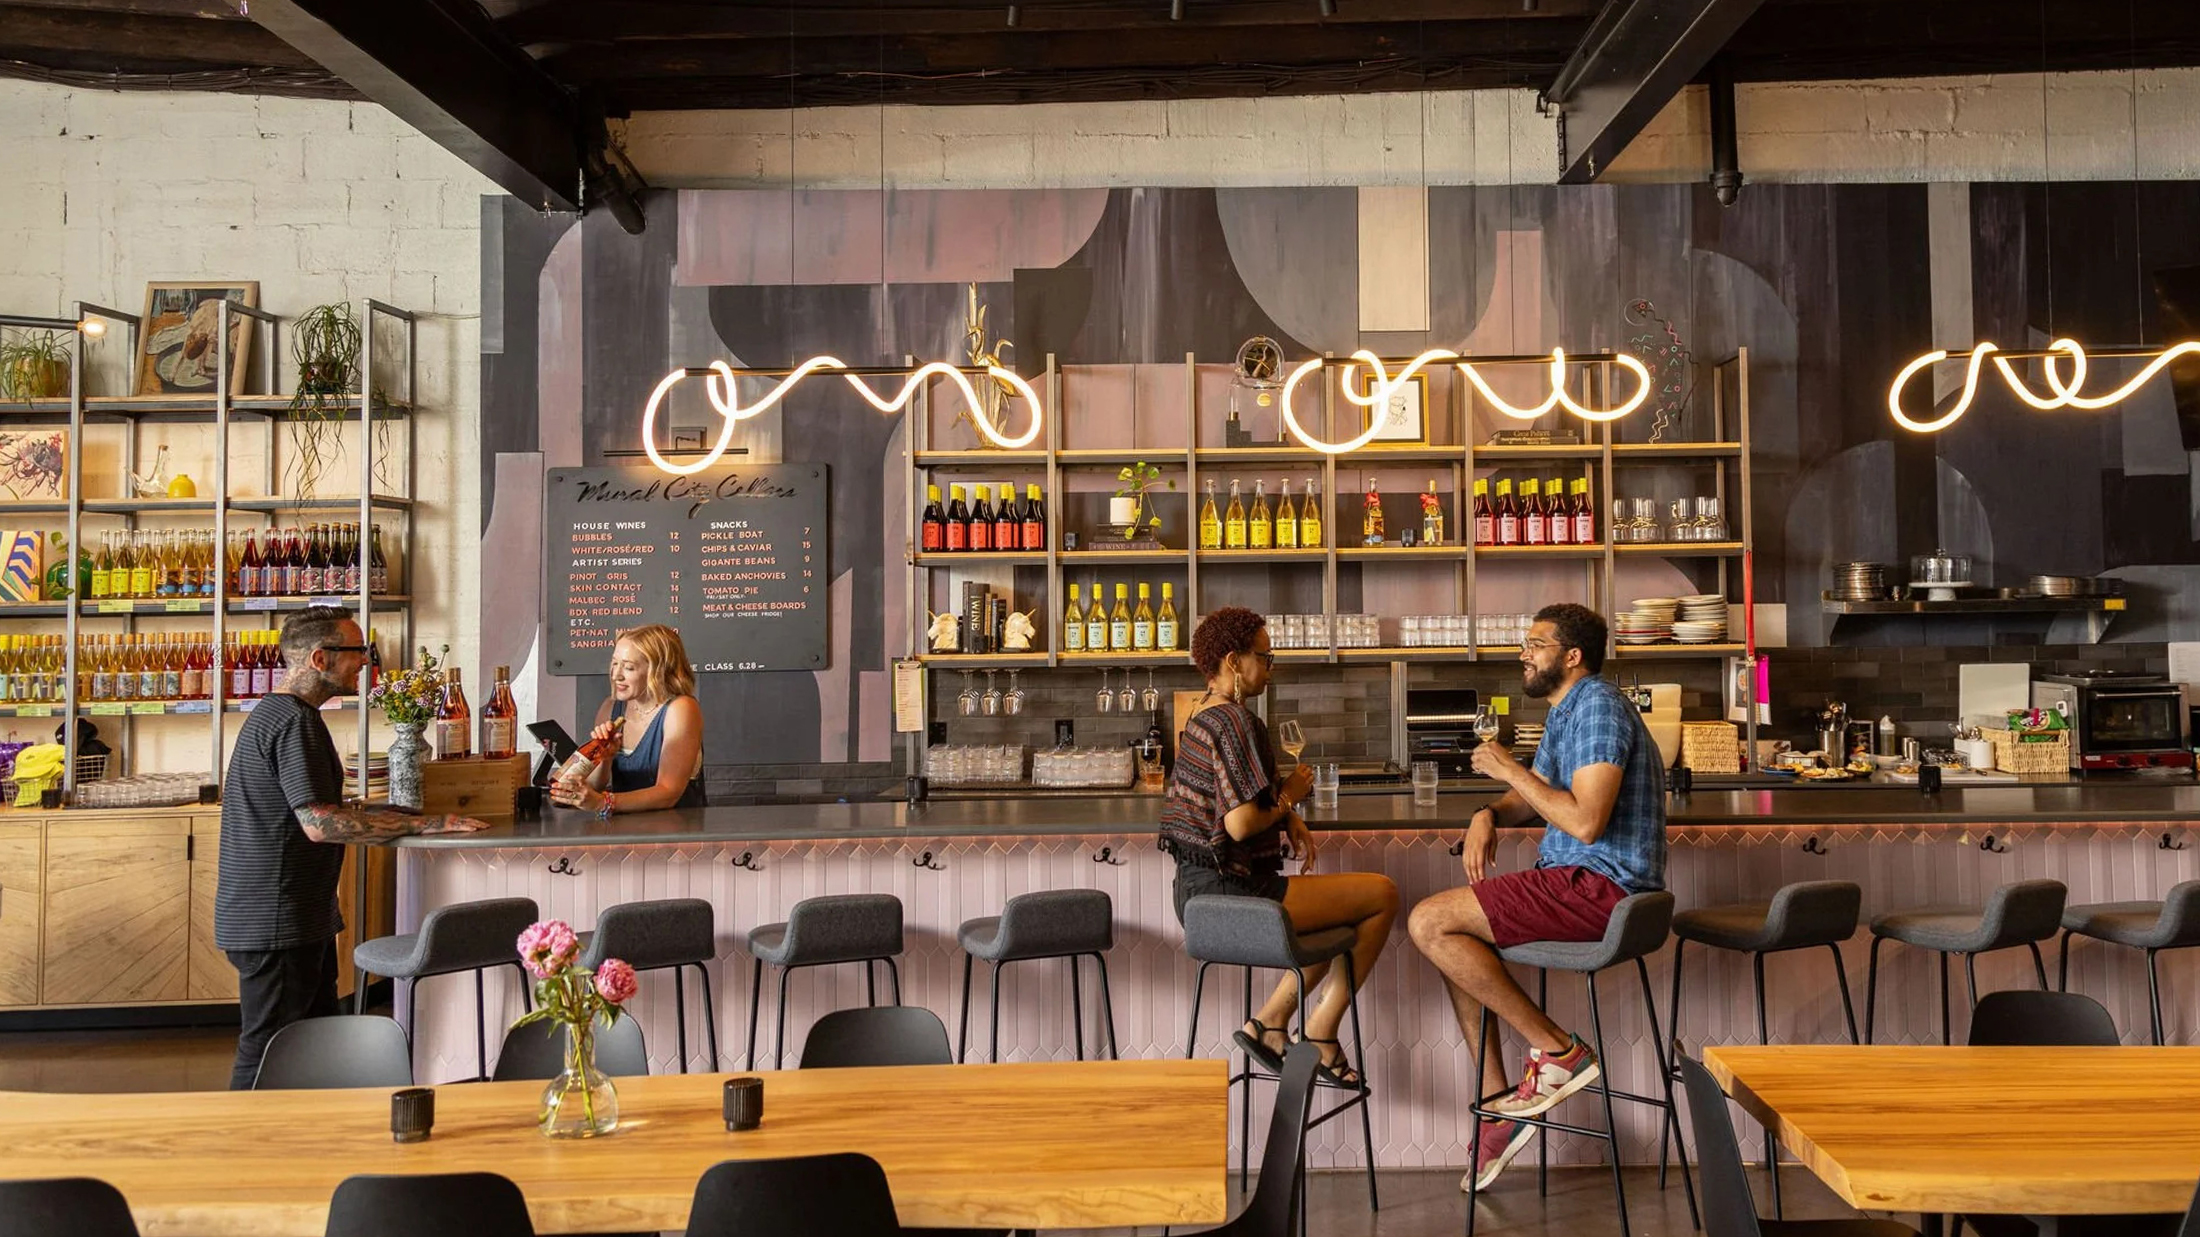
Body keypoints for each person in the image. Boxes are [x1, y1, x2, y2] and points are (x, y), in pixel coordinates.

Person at [1406, 602, 1668, 1192]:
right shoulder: (1566, 712)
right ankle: (1498, 1103)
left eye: (1536, 644)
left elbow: (1586, 822)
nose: (1523, 653)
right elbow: (1535, 798)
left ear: (1572, 657)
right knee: (1455, 942)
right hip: (1579, 882)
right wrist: (1488, 812)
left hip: (1602, 887)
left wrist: (1507, 770)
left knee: (1430, 923)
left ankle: (1558, 1050)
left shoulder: (1598, 706)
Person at [216, 607, 491, 1089]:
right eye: (357, 651)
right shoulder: (293, 724)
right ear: (320, 658)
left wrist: (399, 813)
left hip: (292, 916)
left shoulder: (283, 714)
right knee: (269, 1050)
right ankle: (245, 1150)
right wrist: (428, 825)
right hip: (277, 918)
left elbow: (322, 806)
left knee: (312, 1043)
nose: (366, 661)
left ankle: (310, 1144)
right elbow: (319, 823)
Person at [1159, 606, 1399, 1086]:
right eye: (1265, 658)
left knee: (1335, 919)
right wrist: (1291, 795)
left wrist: (1287, 816)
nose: (1271, 667)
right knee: (1382, 895)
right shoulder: (1235, 722)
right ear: (1234, 660)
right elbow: (1243, 823)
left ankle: (1270, 1024)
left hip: (1197, 893)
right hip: (1232, 895)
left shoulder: (1201, 716)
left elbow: (1230, 797)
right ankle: (1320, 1029)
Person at [550, 624, 706, 815]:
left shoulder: (681, 709)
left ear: (657, 671)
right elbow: (596, 785)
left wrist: (603, 803)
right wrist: (605, 759)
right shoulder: (611, 708)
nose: (616, 675)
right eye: (615, 663)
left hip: (677, 834)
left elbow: (668, 792)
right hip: (625, 832)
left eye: (629, 667)